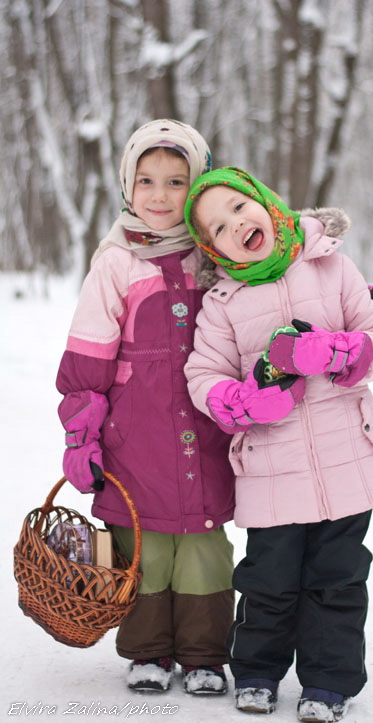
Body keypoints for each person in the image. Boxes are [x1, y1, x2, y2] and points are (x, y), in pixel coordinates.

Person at [183, 167, 373, 721]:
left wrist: (338, 353)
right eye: (218, 226)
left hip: (345, 460)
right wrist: (242, 400)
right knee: (268, 580)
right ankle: (258, 673)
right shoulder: (222, 301)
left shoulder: (332, 266)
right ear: (210, 247)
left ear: (266, 200)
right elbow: (202, 373)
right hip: (271, 463)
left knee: (337, 579)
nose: (235, 224)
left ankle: (328, 683)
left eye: (239, 207)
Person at [55, 120, 236, 695]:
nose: (160, 196)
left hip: (206, 428)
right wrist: (82, 438)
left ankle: (206, 654)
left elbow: (263, 301)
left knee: (204, 544)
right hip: (136, 436)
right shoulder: (115, 262)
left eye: (177, 181)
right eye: (147, 180)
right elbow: (88, 362)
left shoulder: (216, 252)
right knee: (143, 545)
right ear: (127, 184)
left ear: (200, 184)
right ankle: (149, 651)